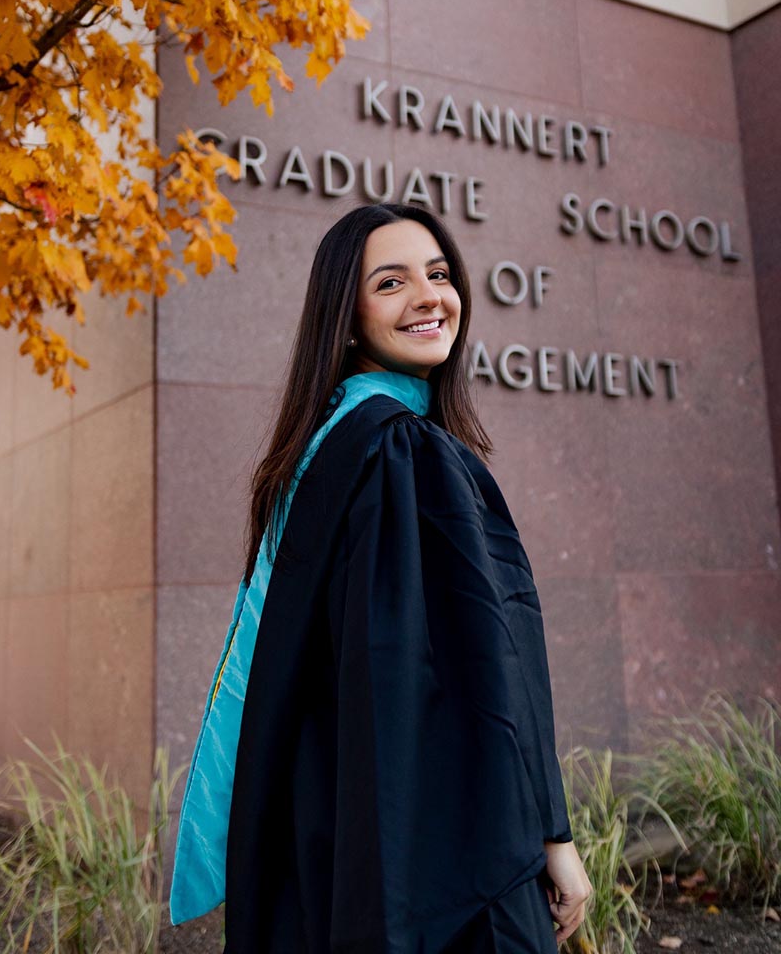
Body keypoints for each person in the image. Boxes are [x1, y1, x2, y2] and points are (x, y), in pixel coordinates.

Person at [169, 202, 593, 952]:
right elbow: (491, 668)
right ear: (349, 316)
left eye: (438, 274)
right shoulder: (404, 455)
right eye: (392, 283)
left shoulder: (326, 449)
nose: (430, 296)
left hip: (335, 830)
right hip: (445, 849)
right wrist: (548, 832)